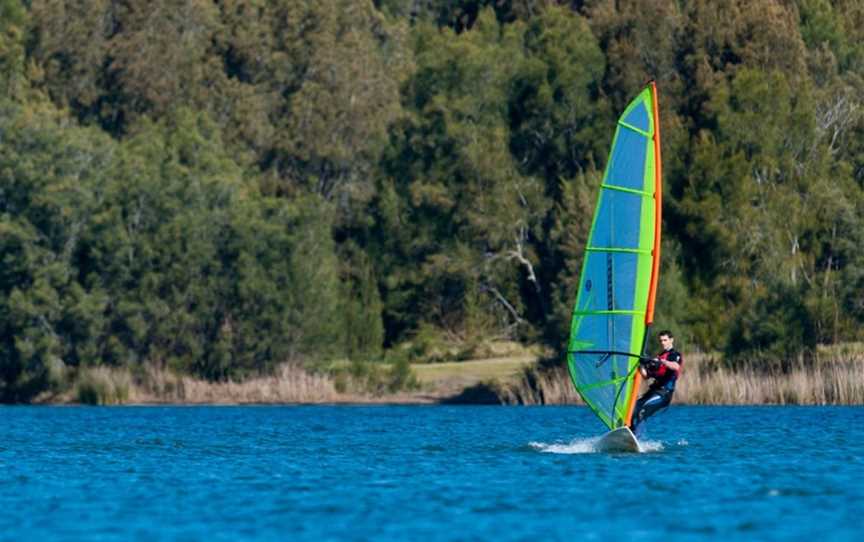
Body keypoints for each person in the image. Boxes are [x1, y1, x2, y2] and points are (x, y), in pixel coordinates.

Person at [630, 330, 682, 432]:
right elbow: (645, 376)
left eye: (665, 340)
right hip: (653, 392)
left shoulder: (674, 354)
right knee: (633, 409)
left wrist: (662, 361)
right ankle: (629, 431)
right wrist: (641, 364)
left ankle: (636, 437)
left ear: (671, 340)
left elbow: (675, 366)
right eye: (661, 341)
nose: (663, 343)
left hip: (663, 394)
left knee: (642, 411)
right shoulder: (658, 357)